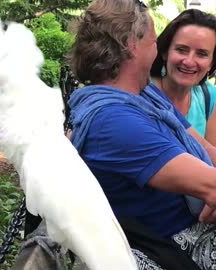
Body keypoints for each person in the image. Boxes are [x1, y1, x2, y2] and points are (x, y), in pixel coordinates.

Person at [67, 0, 216, 269]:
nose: (156, 47)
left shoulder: (145, 94)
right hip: (169, 246)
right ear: (132, 46)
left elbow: (204, 147)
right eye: (153, 40)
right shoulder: (114, 122)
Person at [150, 9, 216, 145]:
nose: (189, 61)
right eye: (181, 50)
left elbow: (212, 160)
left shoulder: (210, 97)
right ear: (164, 52)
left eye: (202, 54)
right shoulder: (140, 91)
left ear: (212, 63)